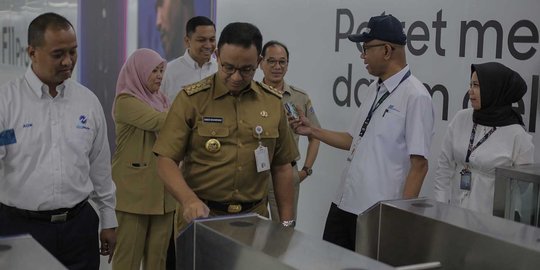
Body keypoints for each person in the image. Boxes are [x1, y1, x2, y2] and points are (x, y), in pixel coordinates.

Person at [290, 14, 434, 250]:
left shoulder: (416, 96)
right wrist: (313, 130)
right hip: (344, 202)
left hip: (375, 213)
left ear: (387, 50)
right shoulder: (374, 88)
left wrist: (400, 219)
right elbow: (352, 139)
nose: (362, 55)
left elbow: (419, 165)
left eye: (366, 48)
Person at [153, 22, 299, 234]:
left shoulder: (272, 103)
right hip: (202, 218)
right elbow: (165, 160)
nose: (236, 77)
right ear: (218, 56)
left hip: (255, 220)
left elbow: (283, 167)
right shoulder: (192, 100)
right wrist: (188, 200)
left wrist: (287, 224)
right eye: (228, 68)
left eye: (246, 70)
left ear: (258, 62)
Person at [0, 12, 117, 269]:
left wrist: (108, 218)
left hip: (79, 227)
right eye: (58, 54)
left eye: (73, 52)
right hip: (21, 228)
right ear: (32, 52)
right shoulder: (6, 103)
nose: (68, 61)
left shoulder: (87, 101)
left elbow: (100, 167)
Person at [433, 62, 534, 215]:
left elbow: (522, 188)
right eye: (471, 84)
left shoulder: (517, 135)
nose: (470, 91)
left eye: (477, 86)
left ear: (495, 89)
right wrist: (440, 208)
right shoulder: (462, 118)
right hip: (455, 215)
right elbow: (444, 167)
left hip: (491, 224)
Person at [111, 48, 175, 270]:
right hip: (134, 194)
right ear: (139, 72)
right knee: (128, 259)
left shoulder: (164, 100)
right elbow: (161, 122)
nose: (159, 76)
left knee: (158, 260)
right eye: (154, 71)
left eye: (161, 70)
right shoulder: (126, 101)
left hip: (165, 193)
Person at [259, 40, 321, 221]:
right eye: (271, 61)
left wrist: (305, 170)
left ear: (287, 65)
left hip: (286, 172)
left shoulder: (299, 97)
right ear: (261, 63)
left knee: (285, 231)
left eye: (282, 62)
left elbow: (315, 136)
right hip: (253, 173)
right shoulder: (250, 95)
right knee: (251, 229)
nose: (277, 67)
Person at [161, 16, 218, 102]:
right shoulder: (168, 72)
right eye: (201, 40)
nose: (208, 45)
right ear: (187, 41)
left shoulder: (220, 69)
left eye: (212, 39)